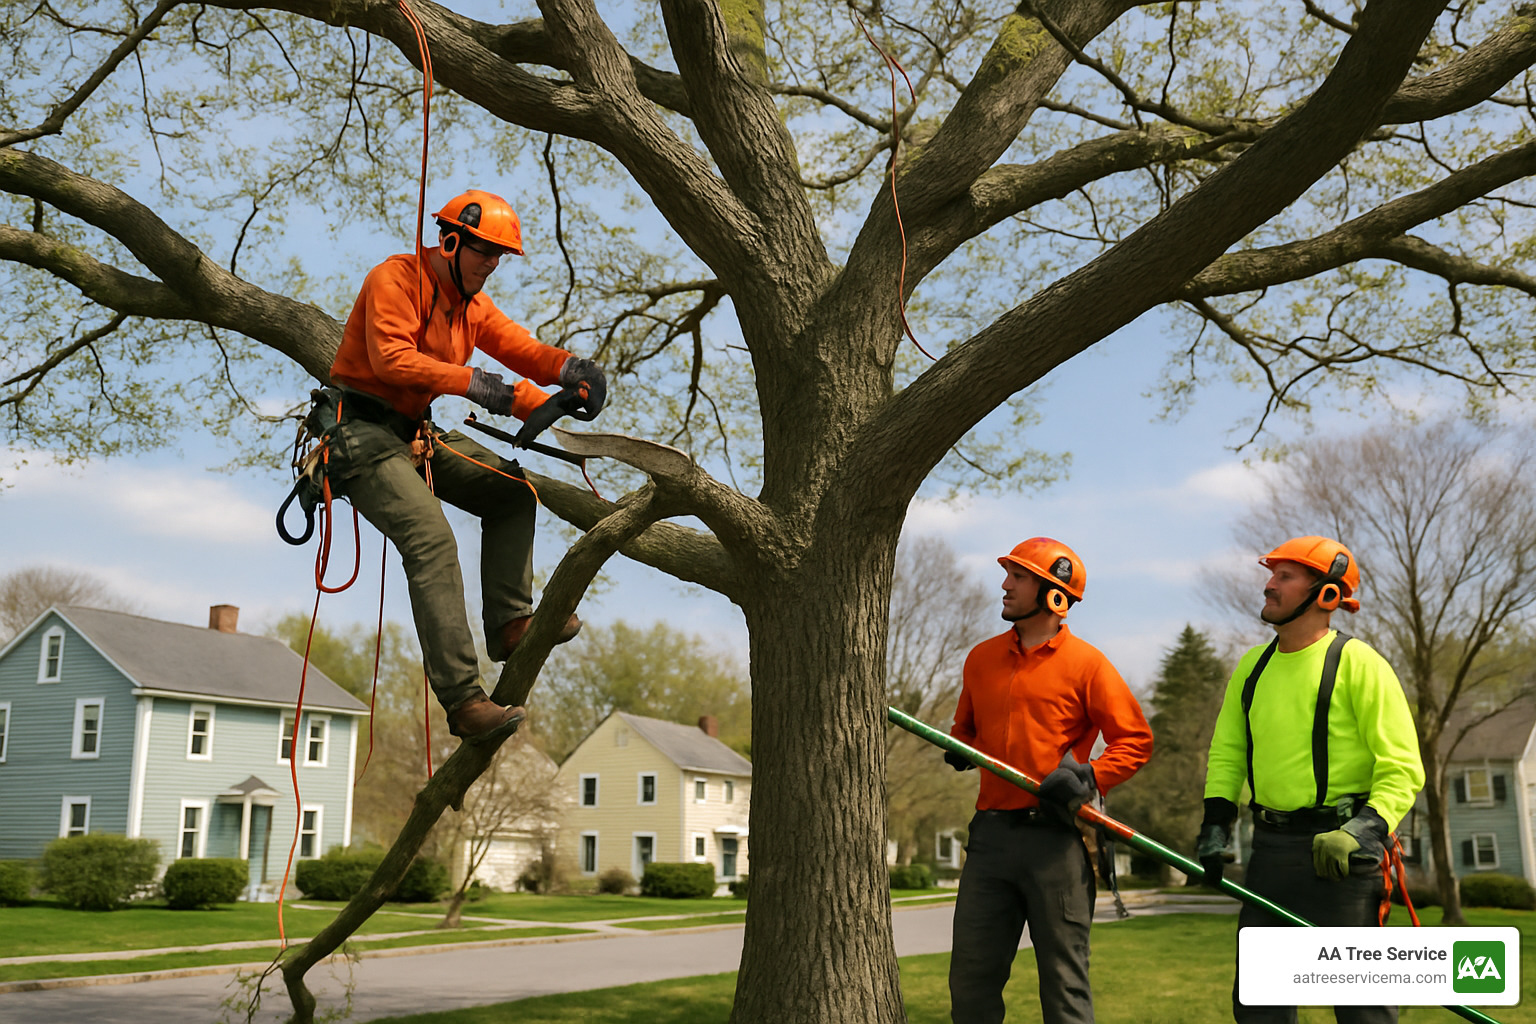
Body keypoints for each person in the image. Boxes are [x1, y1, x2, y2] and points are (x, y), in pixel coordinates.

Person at [314, 189, 607, 741]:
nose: (491, 264)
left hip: (413, 434)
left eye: (499, 256)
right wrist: (479, 385)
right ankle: (464, 700)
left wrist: (571, 372)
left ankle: (510, 624)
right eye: (483, 252)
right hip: (358, 434)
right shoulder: (395, 280)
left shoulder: (472, 306)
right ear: (451, 240)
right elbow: (392, 361)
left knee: (512, 491)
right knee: (431, 539)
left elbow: (519, 349)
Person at [1198, 536, 1424, 1024]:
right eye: (1272, 574)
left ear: (1326, 594)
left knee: (1362, 1009)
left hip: (1347, 857)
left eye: (1285, 576)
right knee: (1259, 1006)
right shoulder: (1250, 669)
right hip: (1271, 852)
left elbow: (1403, 766)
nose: (1269, 584)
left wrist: (1361, 831)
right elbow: (1228, 753)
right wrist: (1216, 823)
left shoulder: (1360, 664)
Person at [947, 538, 1153, 1024]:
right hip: (991, 837)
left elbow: (1135, 740)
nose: (1004, 584)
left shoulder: (1088, 664)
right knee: (971, 982)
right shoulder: (980, 658)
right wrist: (959, 747)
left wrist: (1089, 776)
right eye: (1009, 574)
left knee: (1064, 987)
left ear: (1054, 594)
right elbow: (964, 728)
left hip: (1057, 841)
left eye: (1018, 577)